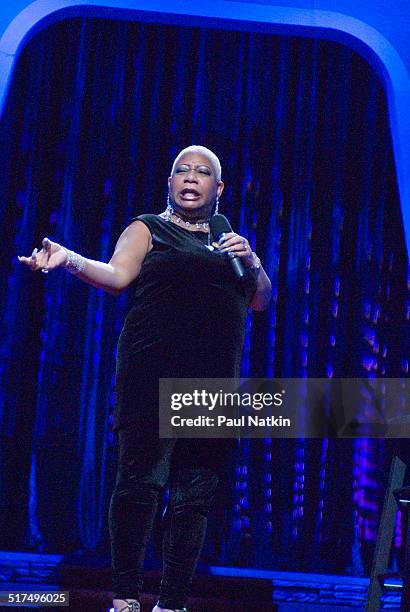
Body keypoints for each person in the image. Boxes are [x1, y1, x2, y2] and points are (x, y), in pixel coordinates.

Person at [18, 145, 272, 612]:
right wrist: (70, 258)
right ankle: (126, 598)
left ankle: (172, 603)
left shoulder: (227, 236)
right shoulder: (147, 227)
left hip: (213, 386)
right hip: (151, 376)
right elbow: (116, 275)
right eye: (182, 170)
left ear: (220, 189)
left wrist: (253, 261)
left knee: (194, 498)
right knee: (141, 485)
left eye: (202, 172)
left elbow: (260, 302)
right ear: (170, 183)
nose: (190, 177)